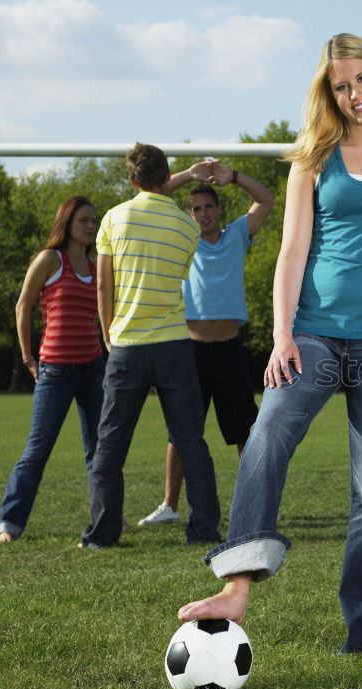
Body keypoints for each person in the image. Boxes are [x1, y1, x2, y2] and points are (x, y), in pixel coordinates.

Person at [178, 33, 362, 655]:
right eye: (339, 84)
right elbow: (292, 253)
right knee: (268, 431)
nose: (353, 92)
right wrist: (281, 338)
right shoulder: (313, 159)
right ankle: (237, 585)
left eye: (361, 78)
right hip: (313, 336)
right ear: (328, 94)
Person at [79, 143, 221, 549]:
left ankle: (102, 535)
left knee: (110, 446)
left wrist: (107, 331)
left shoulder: (113, 218)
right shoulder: (187, 226)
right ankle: (204, 530)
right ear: (167, 175)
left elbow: (104, 283)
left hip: (126, 345)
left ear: (131, 179)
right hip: (175, 345)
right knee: (191, 441)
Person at [137, 160, 274, 527]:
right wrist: (189, 175)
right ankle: (170, 504)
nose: (201, 214)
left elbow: (266, 199)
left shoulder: (237, 235)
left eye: (207, 207)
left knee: (244, 431)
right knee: (181, 431)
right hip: (190, 350)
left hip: (229, 349)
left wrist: (234, 178)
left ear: (218, 209)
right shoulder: (182, 236)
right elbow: (152, 193)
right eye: (195, 208)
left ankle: (252, 505)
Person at [0, 196, 107, 542]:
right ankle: (8, 524)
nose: (90, 226)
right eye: (83, 220)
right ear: (67, 223)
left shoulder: (97, 265)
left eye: (93, 221)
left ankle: (107, 518)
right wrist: (28, 358)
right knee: (37, 451)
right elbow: (22, 306)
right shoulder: (49, 259)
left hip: (93, 369)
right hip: (55, 370)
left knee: (100, 451)